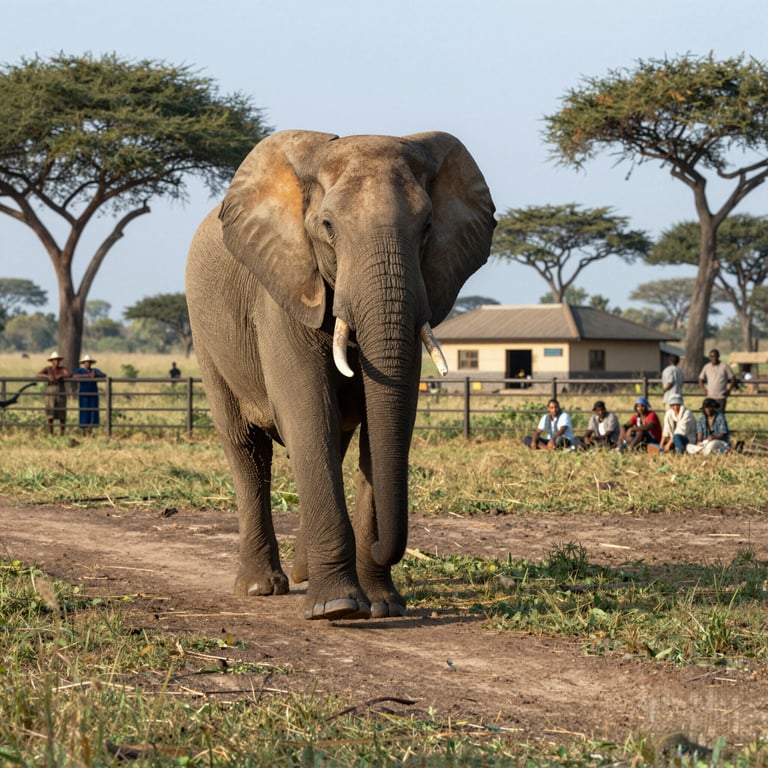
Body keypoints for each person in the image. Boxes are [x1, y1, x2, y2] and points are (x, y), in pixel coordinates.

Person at [35, 351, 70, 435]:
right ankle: (51, 432)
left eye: (57, 360)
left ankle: (62, 433)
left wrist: (61, 376)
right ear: (51, 361)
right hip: (50, 392)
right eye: (54, 360)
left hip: (61, 391)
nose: (56, 362)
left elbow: (68, 374)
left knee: (62, 412)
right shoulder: (48, 369)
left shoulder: (62, 369)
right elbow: (37, 374)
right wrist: (47, 376)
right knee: (50, 412)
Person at [73, 354, 107, 435]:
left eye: (88, 362)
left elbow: (104, 375)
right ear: (83, 363)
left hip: (93, 394)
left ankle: (90, 430)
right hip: (84, 394)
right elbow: (74, 376)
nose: (87, 364)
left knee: (93, 410)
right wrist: (88, 376)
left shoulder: (95, 370)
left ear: (91, 363)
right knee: (84, 410)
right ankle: (84, 430)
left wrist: (96, 375)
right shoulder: (80, 370)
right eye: (86, 362)